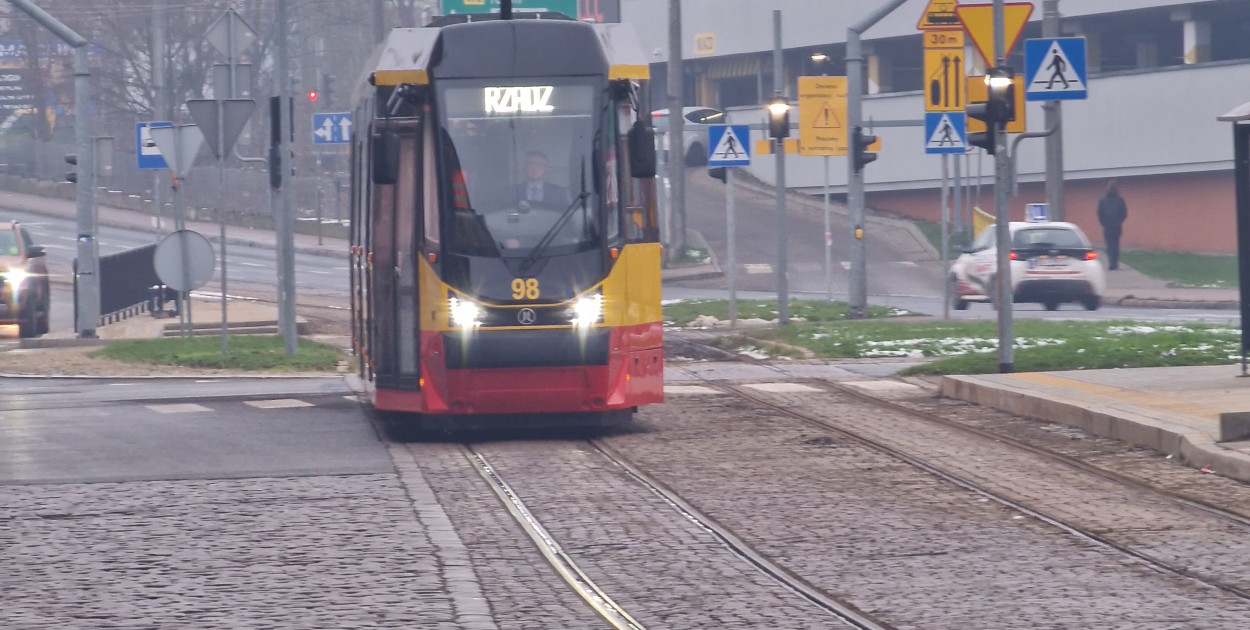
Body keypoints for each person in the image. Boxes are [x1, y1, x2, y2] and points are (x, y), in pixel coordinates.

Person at [1097, 179, 1128, 270]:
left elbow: (1099, 213)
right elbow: (1124, 213)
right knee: (1116, 244)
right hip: (1117, 225)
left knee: (1109, 245)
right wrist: (1119, 221)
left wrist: (1103, 223)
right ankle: (1115, 263)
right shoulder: (1120, 199)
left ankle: (1111, 263)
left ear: (1107, 187)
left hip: (1107, 225)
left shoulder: (1102, 200)